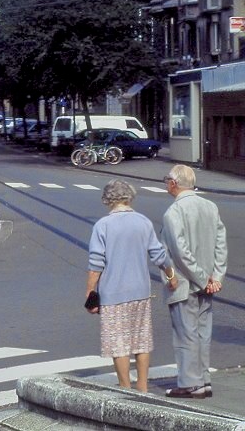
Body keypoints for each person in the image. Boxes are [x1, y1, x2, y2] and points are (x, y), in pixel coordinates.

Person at [85, 179, 176, 393]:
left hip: (113, 294)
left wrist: (90, 292)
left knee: (119, 342)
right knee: (141, 340)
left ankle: (125, 387)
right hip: (140, 292)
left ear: (107, 199)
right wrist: (171, 274)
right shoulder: (143, 222)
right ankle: (142, 386)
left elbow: (96, 264)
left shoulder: (103, 226)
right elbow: (158, 254)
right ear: (129, 197)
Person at [161, 164, 228, 399]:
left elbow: (179, 253)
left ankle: (191, 384)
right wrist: (215, 277)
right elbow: (221, 245)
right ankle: (204, 380)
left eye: (167, 180)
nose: (166, 183)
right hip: (207, 283)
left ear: (174, 183)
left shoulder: (173, 212)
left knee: (185, 333)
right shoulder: (210, 207)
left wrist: (201, 278)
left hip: (183, 283)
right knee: (202, 333)